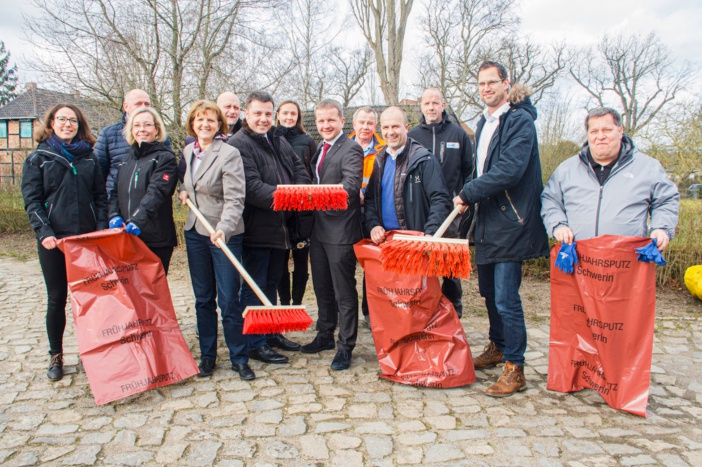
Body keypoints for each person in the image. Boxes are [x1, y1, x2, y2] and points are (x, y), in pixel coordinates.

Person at [453, 61, 549, 397]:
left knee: (507, 298)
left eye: (491, 82)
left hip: (513, 222)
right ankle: (497, 346)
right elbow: (479, 171)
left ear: (506, 84)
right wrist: (466, 192)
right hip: (487, 222)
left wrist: (470, 192)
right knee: (490, 295)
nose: (486, 89)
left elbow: (509, 170)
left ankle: (515, 367)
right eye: (481, 84)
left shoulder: (519, 121)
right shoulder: (483, 123)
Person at [21, 103, 108, 381]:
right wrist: (44, 232)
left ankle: (95, 352)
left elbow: (100, 198)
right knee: (57, 298)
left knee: (92, 299)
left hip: (86, 240)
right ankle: (56, 355)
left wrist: (100, 231)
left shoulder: (90, 158)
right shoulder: (39, 159)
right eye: (62, 120)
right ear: (51, 123)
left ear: (79, 125)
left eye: (72, 120)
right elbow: (32, 201)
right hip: (54, 242)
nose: (67, 124)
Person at [227, 92, 310, 360]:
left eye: (267, 113)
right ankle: (255, 342)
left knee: (273, 282)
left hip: (281, 227)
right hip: (256, 229)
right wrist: (291, 198)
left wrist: (300, 193)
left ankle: (271, 331)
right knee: (255, 286)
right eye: (257, 113)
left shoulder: (277, 139)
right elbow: (252, 188)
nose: (263, 119)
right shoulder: (238, 144)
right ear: (246, 114)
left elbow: (299, 171)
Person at [178, 100, 252, 380]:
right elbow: (190, 185)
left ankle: (239, 357)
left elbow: (236, 198)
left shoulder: (229, 153)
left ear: (219, 124)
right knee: (203, 298)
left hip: (224, 234)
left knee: (229, 299)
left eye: (210, 120)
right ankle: (208, 356)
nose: (205, 124)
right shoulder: (187, 151)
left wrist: (224, 228)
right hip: (195, 231)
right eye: (199, 120)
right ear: (192, 124)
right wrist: (182, 192)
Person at [541, 107, 679, 248]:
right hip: (579, 260)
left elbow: (666, 200)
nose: (600, 136)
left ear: (620, 131)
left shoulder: (648, 167)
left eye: (607, 130)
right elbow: (550, 200)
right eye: (594, 131)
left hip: (627, 260)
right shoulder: (567, 169)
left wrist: (661, 228)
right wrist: (558, 225)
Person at [301, 99, 363, 371]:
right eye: (321, 121)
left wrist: (314, 196)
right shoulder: (319, 149)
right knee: (322, 288)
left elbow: (350, 188)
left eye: (330, 120)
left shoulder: (352, 148)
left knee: (343, 291)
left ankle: (345, 346)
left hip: (341, 231)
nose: (325, 125)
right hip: (318, 230)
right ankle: (325, 335)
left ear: (341, 121)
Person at [409, 87, 473, 319]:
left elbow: (469, 170)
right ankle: (424, 308)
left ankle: (454, 310)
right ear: (421, 106)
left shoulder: (458, 134)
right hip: (420, 210)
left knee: (450, 263)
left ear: (443, 105)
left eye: (436, 103)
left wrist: (465, 195)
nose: (431, 107)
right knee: (422, 263)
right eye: (427, 103)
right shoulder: (413, 135)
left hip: (451, 211)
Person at [364, 106, 452, 245]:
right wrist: (373, 225)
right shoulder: (380, 160)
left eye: (395, 126)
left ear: (406, 127)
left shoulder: (423, 159)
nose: (390, 132)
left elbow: (440, 199)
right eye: (386, 127)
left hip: (417, 244)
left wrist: (431, 233)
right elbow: (370, 200)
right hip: (386, 243)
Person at [107, 107, 178, 274]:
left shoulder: (165, 158)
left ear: (156, 129)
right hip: (127, 237)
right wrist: (113, 214)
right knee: (131, 292)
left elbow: (156, 193)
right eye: (137, 125)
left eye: (147, 125)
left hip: (155, 238)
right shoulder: (126, 160)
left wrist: (138, 220)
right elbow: (115, 192)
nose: (142, 129)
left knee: (152, 293)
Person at [275, 100, 317, 308]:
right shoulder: (270, 139)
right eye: (285, 113)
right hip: (279, 210)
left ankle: (297, 303)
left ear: (298, 117)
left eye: (293, 114)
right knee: (280, 261)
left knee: (301, 260)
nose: (289, 117)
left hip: (302, 211)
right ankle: (284, 304)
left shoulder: (307, 140)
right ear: (278, 115)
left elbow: (313, 171)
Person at [95, 89, 171, 195]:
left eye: (147, 104)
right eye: (138, 104)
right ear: (126, 106)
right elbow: (99, 173)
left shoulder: (161, 136)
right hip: (115, 202)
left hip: (151, 201)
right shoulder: (108, 134)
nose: (143, 107)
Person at [349, 106, 386, 327]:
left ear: (375, 126)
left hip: (373, 213)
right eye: (361, 122)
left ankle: (369, 311)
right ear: (353, 125)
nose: (365, 127)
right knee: (345, 263)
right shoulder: (344, 146)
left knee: (372, 266)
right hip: (348, 213)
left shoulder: (382, 149)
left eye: (370, 123)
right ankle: (345, 310)